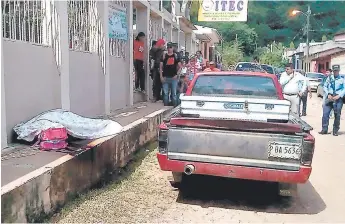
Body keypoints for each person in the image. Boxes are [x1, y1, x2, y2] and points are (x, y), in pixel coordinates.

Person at [319, 65, 345, 136]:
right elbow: (325, 86)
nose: (335, 72)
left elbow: (344, 89)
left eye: (337, 71)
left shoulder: (342, 79)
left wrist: (339, 96)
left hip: (338, 99)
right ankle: (324, 129)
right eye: (334, 71)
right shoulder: (329, 78)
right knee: (325, 114)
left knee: (337, 115)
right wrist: (328, 94)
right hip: (329, 97)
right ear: (333, 71)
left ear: (339, 71)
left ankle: (335, 130)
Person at [160, 42, 181, 107]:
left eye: (170, 47)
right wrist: (161, 76)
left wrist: (177, 75)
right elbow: (160, 67)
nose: (169, 49)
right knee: (165, 94)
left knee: (174, 94)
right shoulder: (164, 56)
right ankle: (166, 108)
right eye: (168, 47)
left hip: (173, 78)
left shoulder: (175, 56)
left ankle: (174, 107)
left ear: (173, 48)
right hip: (165, 77)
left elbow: (180, 66)